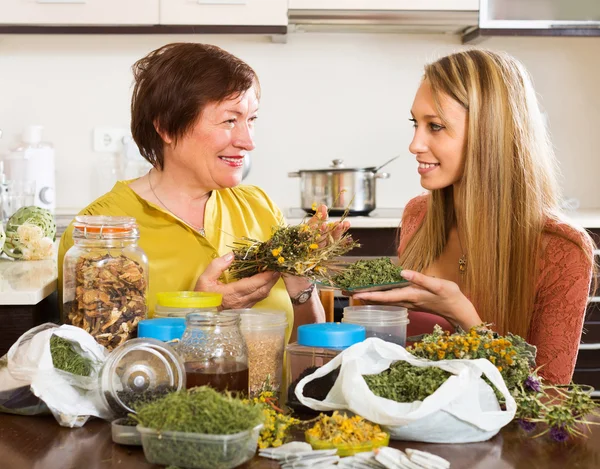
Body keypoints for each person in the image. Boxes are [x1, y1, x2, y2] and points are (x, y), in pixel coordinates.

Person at [58, 42, 348, 342]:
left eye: (251, 120)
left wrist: (302, 274)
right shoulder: (98, 232)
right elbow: (92, 370)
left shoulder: (259, 207)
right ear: (167, 127)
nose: (248, 142)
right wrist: (202, 314)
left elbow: (308, 353)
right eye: (229, 120)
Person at [352, 49, 596, 384]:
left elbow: (546, 404)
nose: (414, 144)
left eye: (435, 126)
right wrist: (373, 313)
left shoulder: (563, 249)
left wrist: (465, 318)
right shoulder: (418, 215)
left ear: (489, 134)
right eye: (415, 123)